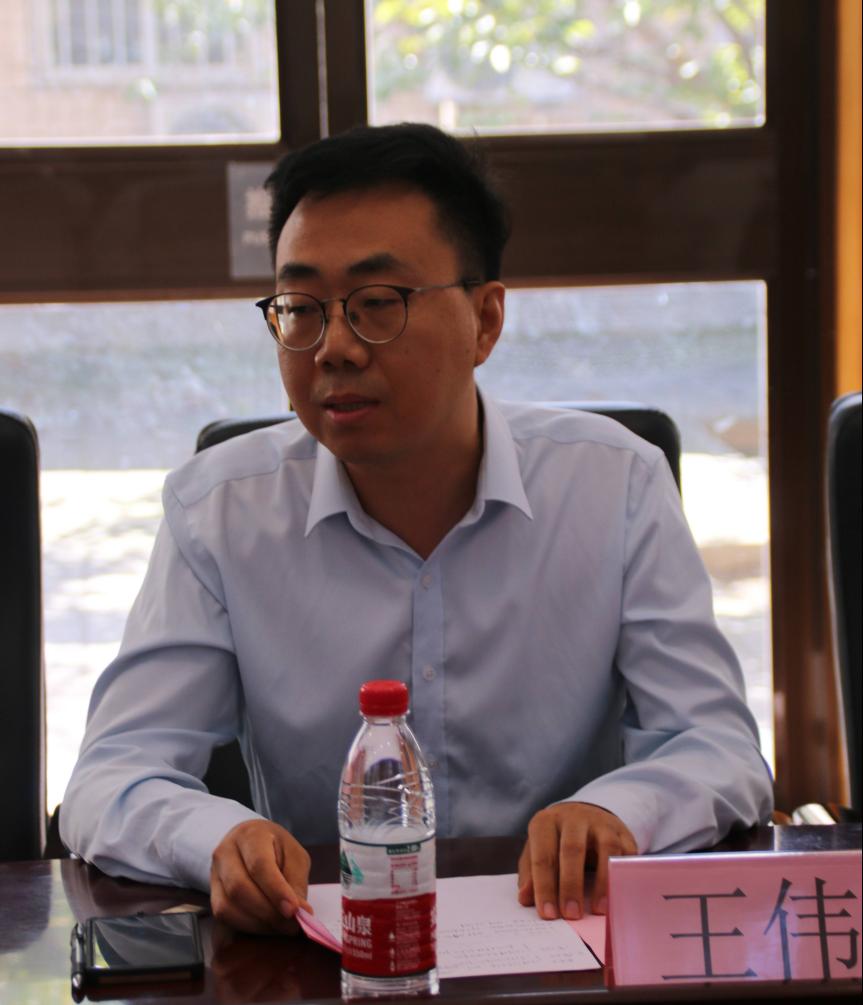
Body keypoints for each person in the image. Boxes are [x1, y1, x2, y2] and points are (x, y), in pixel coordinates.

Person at [61, 122, 773, 936]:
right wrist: (217, 837)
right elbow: (110, 778)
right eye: (300, 309)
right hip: (331, 951)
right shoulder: (219, 511)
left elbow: (717, 746)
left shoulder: (615, 486)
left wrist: (620, 810)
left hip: (560, 935)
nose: (333, 348)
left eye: (377, 304)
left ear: (485, 320)